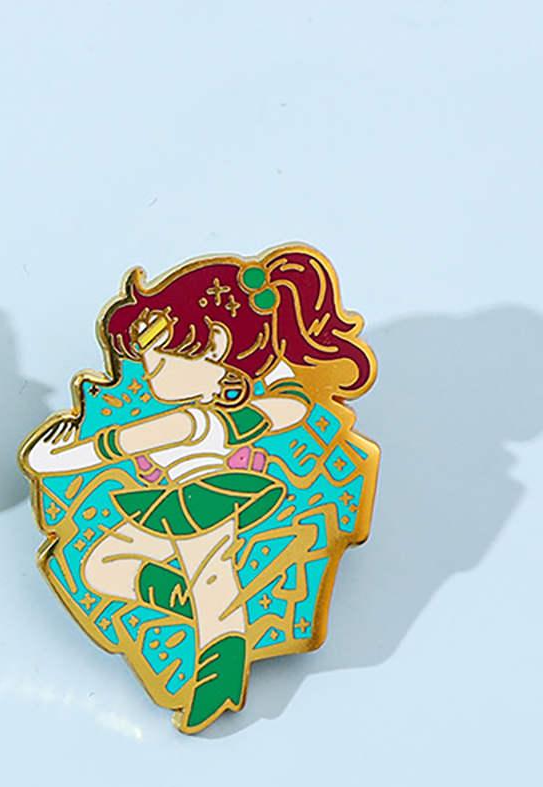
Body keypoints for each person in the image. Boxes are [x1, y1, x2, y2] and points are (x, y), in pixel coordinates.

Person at [23, 247, 375, 731]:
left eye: (162, 359)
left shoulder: (188, 421)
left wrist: (45, 458)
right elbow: (291, 407)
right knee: (105, 565)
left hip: (201, 502)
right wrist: (268, 375)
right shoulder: (234, 418)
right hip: (179, 501)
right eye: (147, 358)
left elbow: (107, 448)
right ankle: (191, 609)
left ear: (214, 351)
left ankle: (218, 676)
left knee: (212, 585)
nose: (149, 370)